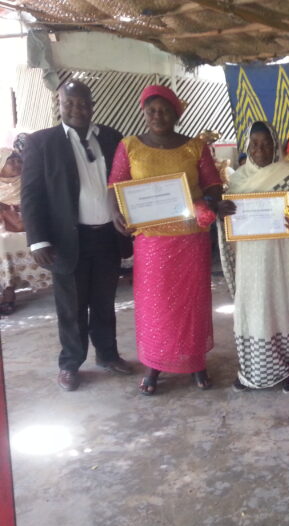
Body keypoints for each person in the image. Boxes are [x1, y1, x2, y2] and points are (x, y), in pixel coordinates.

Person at [109, 85, 223, 395]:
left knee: (191, 304)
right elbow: (115, 187)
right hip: (152, 243)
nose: (158, 115)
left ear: (176, 113)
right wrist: (117, 215)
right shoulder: (129, 146)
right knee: (156, 306)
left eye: (165, 110)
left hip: (190, 241)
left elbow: (213, 186)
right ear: (144, 112)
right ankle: (154, 365)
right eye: (152, 110)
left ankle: (196, 363)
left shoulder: (195, 148)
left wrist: (210, 203)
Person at [21, 80, 132, 391]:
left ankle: (108, 355)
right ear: (59, 105)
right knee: (71, 307)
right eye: (69, 103)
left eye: (82, 103)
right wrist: (37, 240)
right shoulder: (42, 142)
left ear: (92, 104)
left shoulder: (111, 138)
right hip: (67, 241)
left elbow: (125, 184)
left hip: (107, 238)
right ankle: (70, 363)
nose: (76, 109)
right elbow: (31, 195)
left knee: (104, 302)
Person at [217, 121, 289, 391]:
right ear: (247, 146)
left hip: (282, 259)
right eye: (254, 143)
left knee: (282, 307)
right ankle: (250, 372)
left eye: (266, 143)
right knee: (252, 310)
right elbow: (226, 223)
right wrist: (220, 212)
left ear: (276, 146)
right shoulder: (238, 179)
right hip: (249, 260)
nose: (259, 149)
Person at [0, 147, 52, 314]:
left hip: (35, 221)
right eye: (11, 161)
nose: (17, 164)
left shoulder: (31, 180)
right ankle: (9, 290)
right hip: (6, 226)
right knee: (4, 242)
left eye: (19, 160)